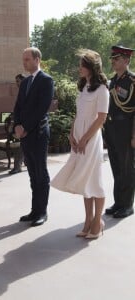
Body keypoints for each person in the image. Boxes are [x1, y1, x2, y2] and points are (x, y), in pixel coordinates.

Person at [51, 49, 109, 239]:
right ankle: (87, 221)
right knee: (85, 180)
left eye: (82, 65)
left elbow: (101, 119)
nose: (79, 68)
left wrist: (84, 138)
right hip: (79, 136)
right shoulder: (84, 87)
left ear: (91, 67)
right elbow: (78, 114)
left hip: (91, 139)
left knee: (94, 180)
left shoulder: (102, 90)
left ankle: (97, 222)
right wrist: (71, 134)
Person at [13, 47, 54, 227]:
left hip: (37, 133)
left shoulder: (46, 80)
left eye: (27, 59)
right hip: (25, 134)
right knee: (31, 173)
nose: (25, 62)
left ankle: (42, 212)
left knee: (40, 172)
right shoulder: (25, 82)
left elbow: (42, 108)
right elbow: (18, 107)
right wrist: (16, 125)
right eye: (23, 60)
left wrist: (26, 127)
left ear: (37, 59)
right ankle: (34, 210)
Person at [104, 45, 135, 218]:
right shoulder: (113, 81)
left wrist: (134, 135)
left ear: (126, 60)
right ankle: (119, 202)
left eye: (117, 59)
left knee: (127, 168)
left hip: (126, 128)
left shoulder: (132, 81)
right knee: (116, 167)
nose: (114, 62)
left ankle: (128, 205)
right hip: (112, 128)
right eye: (113, 59)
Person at [8, 74, 26, 175]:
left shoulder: (27, 90)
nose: (17, 84)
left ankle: (17, 166)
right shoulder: (22, 91)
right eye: (16, 81)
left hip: (25, 124)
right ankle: (19, 165)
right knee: (22, 145)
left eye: (18, 81)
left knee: (20, 146)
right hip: (21, 124)